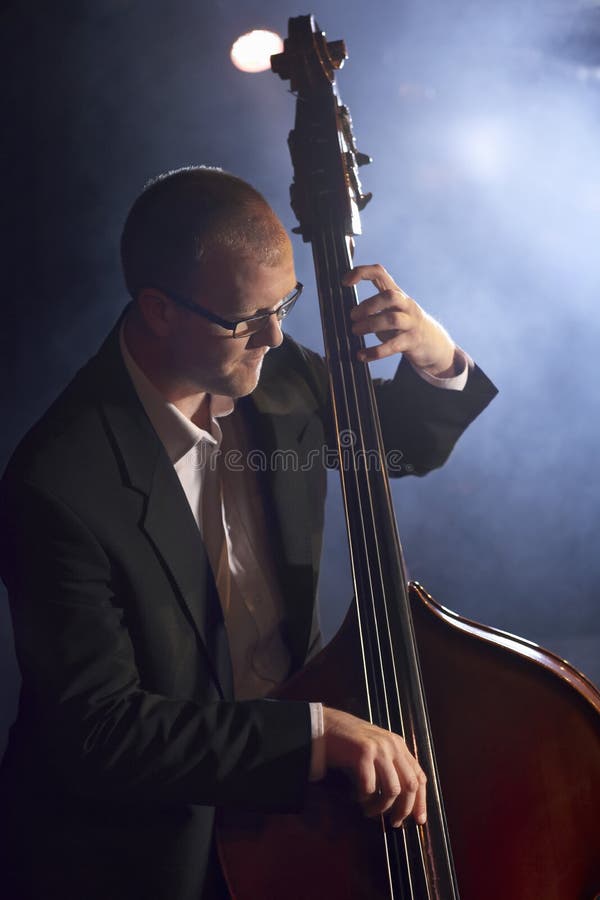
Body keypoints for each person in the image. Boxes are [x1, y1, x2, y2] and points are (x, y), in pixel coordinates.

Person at [0, 166, 497, 899]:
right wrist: (313, 735)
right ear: (159, 310)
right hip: (140, 850)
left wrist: (433, 350)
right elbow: (99, 732)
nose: (275, 334)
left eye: (285, 303)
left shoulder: (267, 362)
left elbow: (400, 447)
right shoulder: (59, 481)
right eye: (244, 318)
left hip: (287, 819)